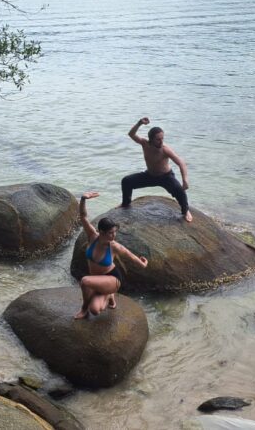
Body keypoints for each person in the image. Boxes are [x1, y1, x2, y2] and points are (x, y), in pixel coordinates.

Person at [74, 191, 148, 319]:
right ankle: (108, 296)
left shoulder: (114, 246)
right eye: (110, 233)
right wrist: (83, 199)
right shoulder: (92, 236)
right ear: (101, 232)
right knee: (96, 310)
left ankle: (84, 308)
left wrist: (143, 263)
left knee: (85, 281)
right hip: (97, 281)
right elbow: (83, 216)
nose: (114, 236)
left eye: (115, 232)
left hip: (112, 279)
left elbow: (131, 256)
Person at [120, 116, 193, 222]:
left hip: (166, 177)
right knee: (126, 181)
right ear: (151, 139)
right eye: (158, 139)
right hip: (149, 175)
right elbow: (131, 134)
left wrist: (185, 180)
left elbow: (181, 163)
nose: (161, 141)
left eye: (162, 138)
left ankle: (186, 211)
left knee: (179, 191)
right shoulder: (145, 144)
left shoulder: (165, 150)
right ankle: (125, 204)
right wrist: (139, 123)